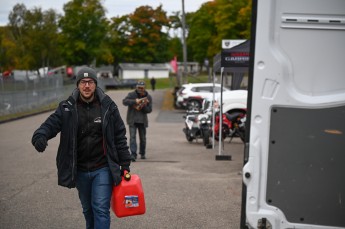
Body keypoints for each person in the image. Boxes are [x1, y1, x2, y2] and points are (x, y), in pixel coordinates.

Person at [31, 67, 131, 229]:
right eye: (83, 82)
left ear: (95, 84)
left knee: (100, 209)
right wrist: (40, 136)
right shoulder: (66, 108)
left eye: (90, 82)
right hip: (80, 170)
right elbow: (50, 125)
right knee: (88, 209)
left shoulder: (108, 106)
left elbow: (120, 135)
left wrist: (125, 163)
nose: (86, 86)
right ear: (77, 85)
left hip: (102, 168)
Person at [122, 81, 152, 161]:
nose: (140, 89)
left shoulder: (148, 97)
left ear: (144, 88)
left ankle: (142, 153)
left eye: (141, 88)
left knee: (143, 138)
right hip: (132, 120)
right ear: (136, 87)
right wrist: (135, 101)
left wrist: (144, 105)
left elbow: (149, 110)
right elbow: (124, 102)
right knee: (132, 138)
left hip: (142, 121)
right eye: (138, 87)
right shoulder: (131, 95)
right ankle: (133, 154)